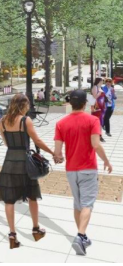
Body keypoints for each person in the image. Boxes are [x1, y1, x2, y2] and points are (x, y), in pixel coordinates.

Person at [53, 89, 113, 256]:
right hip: (88, 167)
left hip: (71, 169)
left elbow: (57, 152)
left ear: (70, 103)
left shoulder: (61, 123)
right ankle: (80, 236)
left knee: (78, 203)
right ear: (85, 103)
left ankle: (83, 235)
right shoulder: (92, 120)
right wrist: (106, 161)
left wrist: (58, 157)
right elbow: (96, 144)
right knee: (87, 204)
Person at [0, 93, 55, 249]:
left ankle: (12, 235)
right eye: (28, 105)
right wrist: (53, 153)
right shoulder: (25, 120)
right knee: (32, 196)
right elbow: (37, 141)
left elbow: (7, 143)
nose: (29, 107)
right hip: (25, 163)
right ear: (23, 105)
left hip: (9, 162)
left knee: (9, 199)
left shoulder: (3, 120)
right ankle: (36, 229)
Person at [91, 78, 106, 142]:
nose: (102, 82)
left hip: (102, 107)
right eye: (102, 81)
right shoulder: (95, 87)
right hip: (96, 107)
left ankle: (99, 135)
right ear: (99, 81)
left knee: (101, 121)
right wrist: (100, 93)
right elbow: (94, 97)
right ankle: (97, 135)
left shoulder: (100, 87)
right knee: (97, 121)